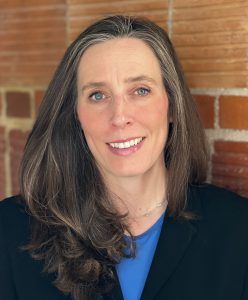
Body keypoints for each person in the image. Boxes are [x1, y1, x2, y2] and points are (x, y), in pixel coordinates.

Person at [0, 15, 248, 300]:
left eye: (140, 90)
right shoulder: (10, 232)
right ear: (76, 115)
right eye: (97, 95)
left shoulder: (238, 231)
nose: (119, 117)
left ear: (171, 106)